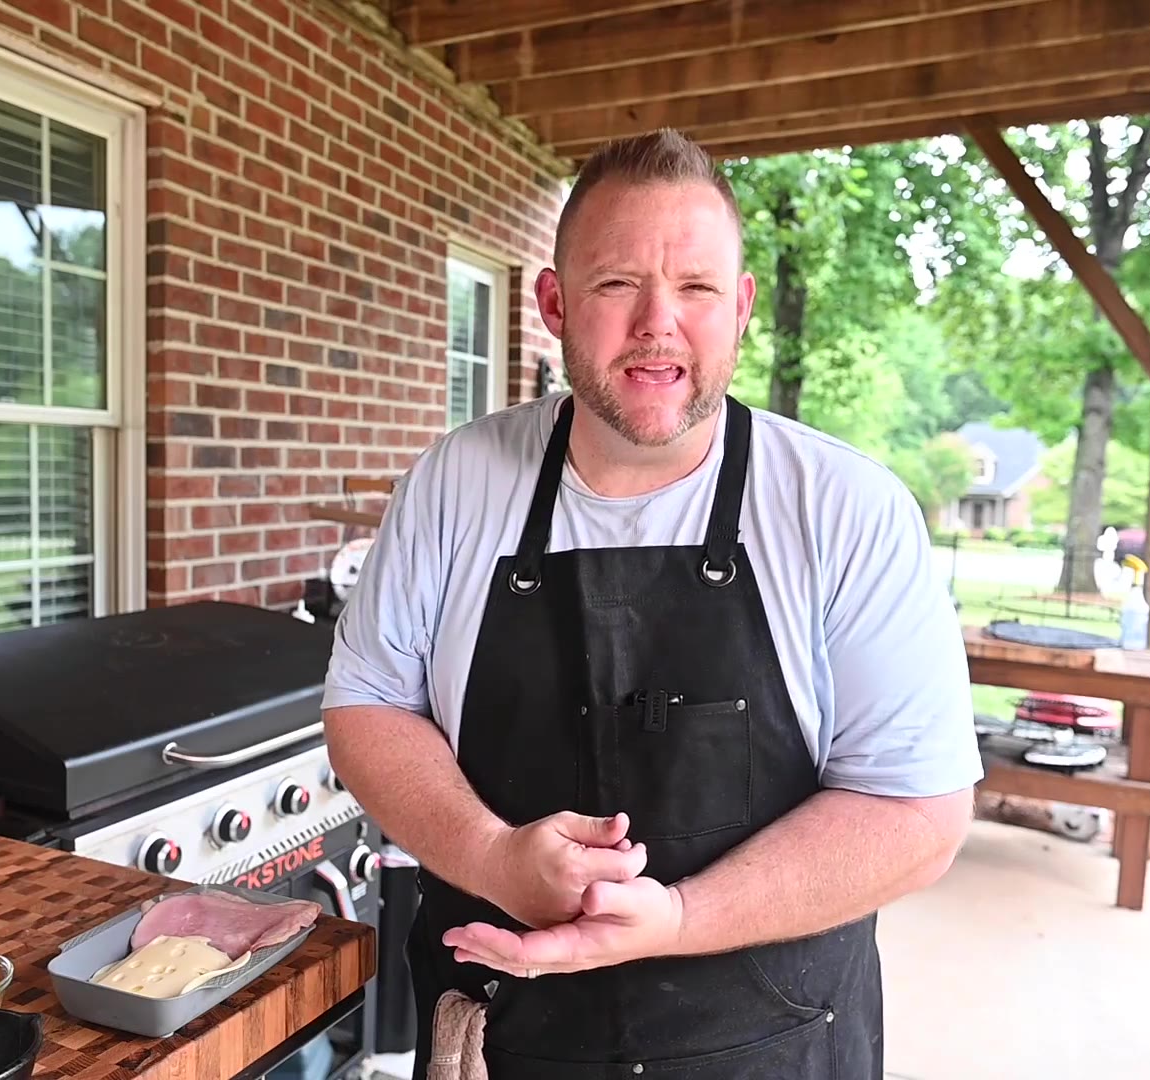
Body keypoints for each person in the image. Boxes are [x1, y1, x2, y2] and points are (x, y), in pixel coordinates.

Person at [321, 128, 981, 1079]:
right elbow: (368, 705)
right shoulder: (457, 483)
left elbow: (917, 814)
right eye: (617, 282)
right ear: (554, 303)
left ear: (741, 307)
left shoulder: (844, 509)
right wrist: (494, 857)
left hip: (775, 1047)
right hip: (506, 1038)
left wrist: (678, 917)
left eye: (697, 287)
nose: (657, 323)